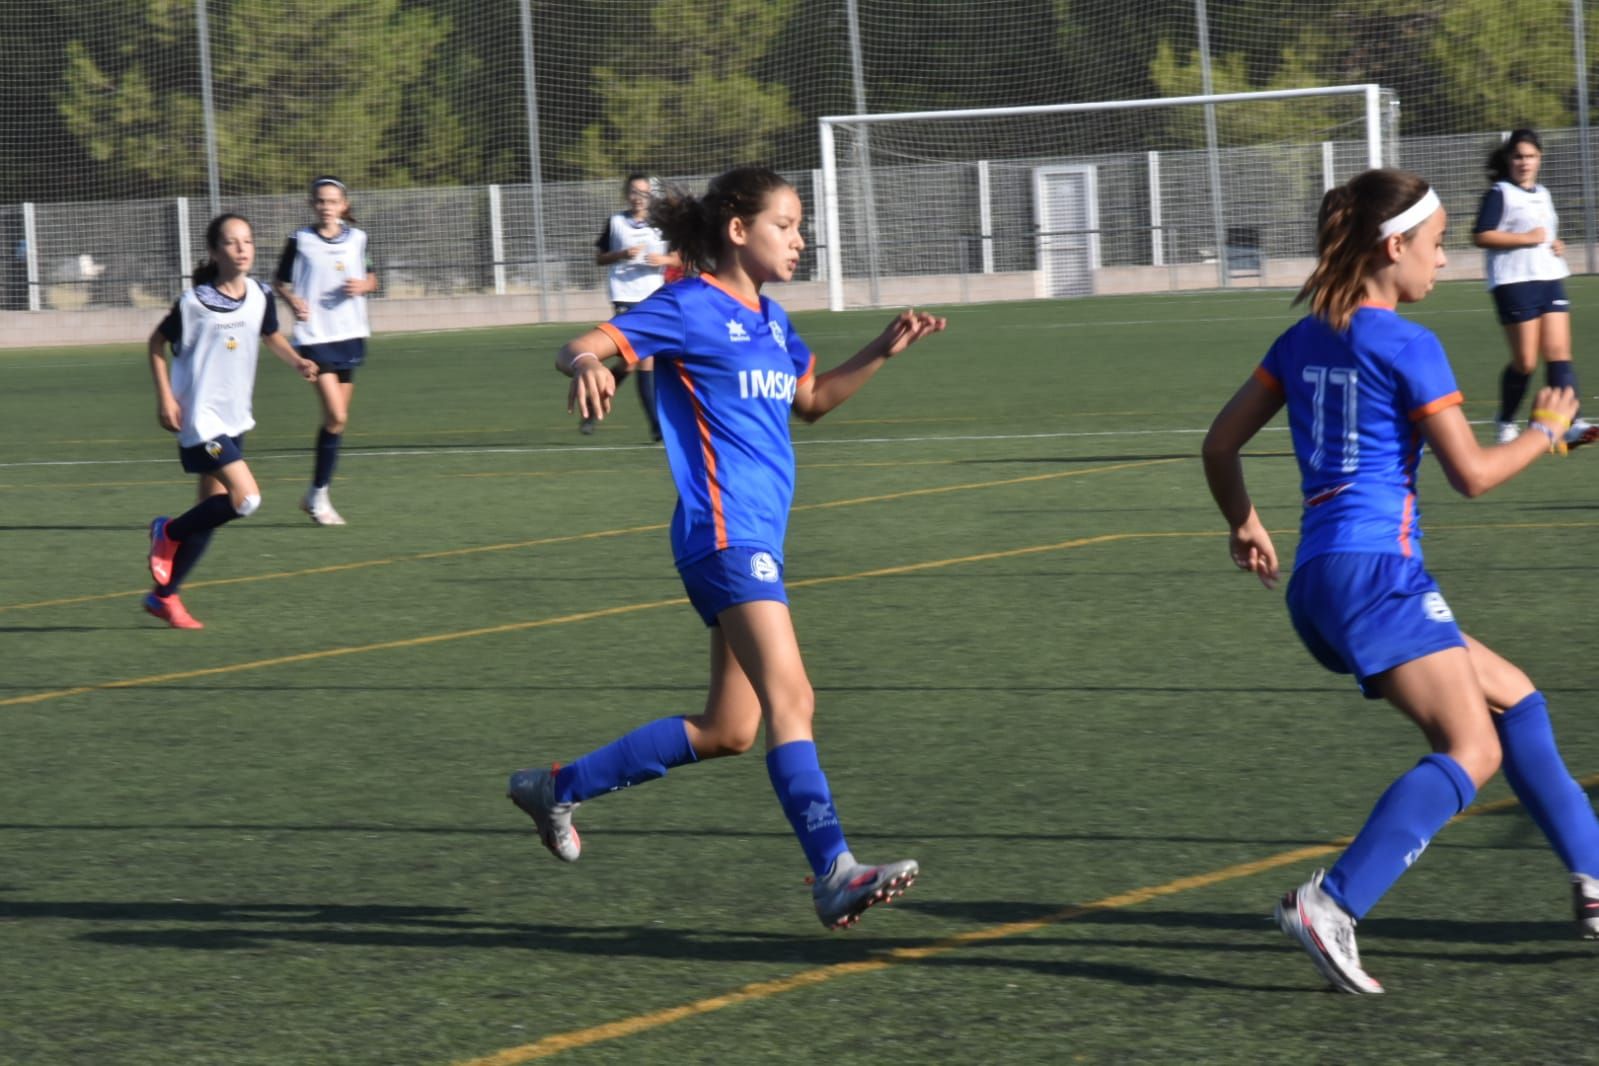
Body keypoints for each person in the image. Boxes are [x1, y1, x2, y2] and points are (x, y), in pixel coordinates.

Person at [508, 166, 946, 929]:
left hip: (754, 534)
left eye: (800, 226)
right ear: (738, 230)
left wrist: (881, 348)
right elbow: (583, 344)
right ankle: (832, 870)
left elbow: (808, 400)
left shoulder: (774, 321)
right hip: (722, 531)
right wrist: (587, 365)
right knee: (794, 698)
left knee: (729, 730)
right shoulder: (686, 305)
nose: (800, 239)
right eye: (786, 224)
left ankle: (557, 787)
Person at [1203, 168, 1599, 994]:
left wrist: (1243, 520)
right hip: (1377, 576)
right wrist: (1548, 435)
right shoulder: (1409, 344)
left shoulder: (1302, 337)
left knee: (1515, 698)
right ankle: (1333, 903)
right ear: (1393, 248)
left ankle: (1593, 876)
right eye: (1434, 243)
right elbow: (1473, 475)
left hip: (1318, 580)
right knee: (1472, 747)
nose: (1444, 262)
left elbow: (1218, 443)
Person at [145, 214, 320, 628]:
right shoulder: (194, 303)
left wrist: (296, 361)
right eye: (231, 242)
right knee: (246, 499)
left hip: (234, 417)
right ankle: (166, 531)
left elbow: (268, 333)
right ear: (214, 252)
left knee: (210, 510)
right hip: (201, 421)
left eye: (248, 241)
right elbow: (155, 342)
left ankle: (164, 597)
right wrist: (165, 396)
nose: (242, 248)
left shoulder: (260, 294)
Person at [1471, 129, 1596, 447]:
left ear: (1539, 158)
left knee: (1559, 354)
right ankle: (1506, 421)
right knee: (1525, 361)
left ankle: (1571, 422)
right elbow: (1482, 235)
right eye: (1517, 156)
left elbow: (1545, 233)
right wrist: (1527, 238)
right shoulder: (1500, 192)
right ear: (1508, 160)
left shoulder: (1543, 193)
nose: (1524, 162)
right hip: (1514, 282)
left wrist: (1555, 243)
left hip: (1549, 277)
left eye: (1529, 156)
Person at [273, 176, 379, 525]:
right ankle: (319, 498)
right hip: (315, 337)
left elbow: (374, 277)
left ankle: (316, 493)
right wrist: (293, 302)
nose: (326, 207)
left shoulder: (358, 239)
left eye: (332, 201)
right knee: (337, 417)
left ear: (343, 205)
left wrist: (364, 284)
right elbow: (279, 282)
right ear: (312, 204)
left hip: (350, 334)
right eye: (320, 201)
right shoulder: (300, 240)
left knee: (334, 424)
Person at [587, 173, 681, 439]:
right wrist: (620, 254)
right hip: (624, 296)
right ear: (627, 194)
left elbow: (679, 258)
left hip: (653, 297)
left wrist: (662, 258)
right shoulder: (616, 223)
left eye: (644, 193)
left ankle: (595, 408)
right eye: (634, 192)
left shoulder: (662, 225)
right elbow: (599, 259)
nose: (639, 198)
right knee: (640, 360)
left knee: (631, 364)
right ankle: (656, 426)